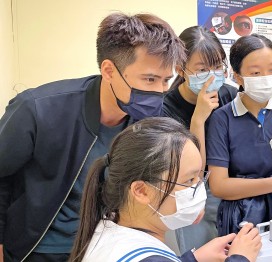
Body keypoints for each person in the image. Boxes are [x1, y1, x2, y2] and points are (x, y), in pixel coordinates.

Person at [0, 13, 185, 262]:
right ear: (109, 70)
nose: (159, 92)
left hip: (104, 246)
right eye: (150, 79)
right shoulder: (38, 109)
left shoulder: (150, 122)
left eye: (166, 81)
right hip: (37, 248)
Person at [69, 117, 261, 262]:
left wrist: (191, 259)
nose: (198, 188)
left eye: (199, 177)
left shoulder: (108, 226)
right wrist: (240, 258)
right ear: (141, 191)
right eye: (189, 180)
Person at [206, 34, 272, 236]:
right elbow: (219, 186)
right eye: (256, 72)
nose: (267, 78)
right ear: (237, 77)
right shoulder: (222, 119)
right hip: (241, 218)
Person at [162, 26, 237, 254]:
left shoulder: (229, 95)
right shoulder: (165, 108)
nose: (213, 75)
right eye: (203, 69)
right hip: (191, 193)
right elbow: (195, 171)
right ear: (180, 69)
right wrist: (198, 119)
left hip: (227, 187)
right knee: (201, 252)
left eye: (217, 66)